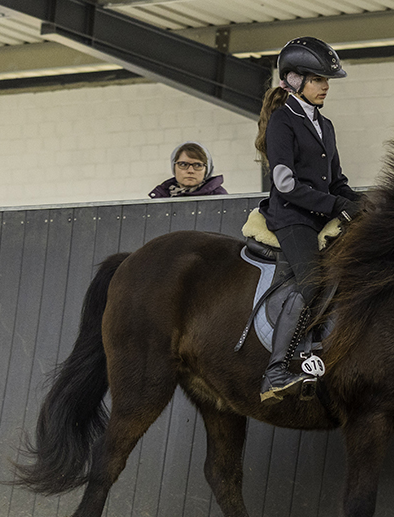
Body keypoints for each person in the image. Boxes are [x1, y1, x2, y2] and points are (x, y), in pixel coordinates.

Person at [253, 36, 360, 403]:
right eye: (317, 79)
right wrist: (335, 206)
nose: (325, 86)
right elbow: (285, 184)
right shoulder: (282, 122)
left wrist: (363, 203)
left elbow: (337, 181)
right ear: (295, 80)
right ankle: (275, 372)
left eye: (325, 80)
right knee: (311, 280)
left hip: (320, 214)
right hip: (292, 216)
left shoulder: (325, 125)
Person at [148, 141, 228, 198]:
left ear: (207, 170)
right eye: (183, 164)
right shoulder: (161, 196)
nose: (190, 171)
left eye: (198, 165)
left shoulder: (220, 199)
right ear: (174, 167)